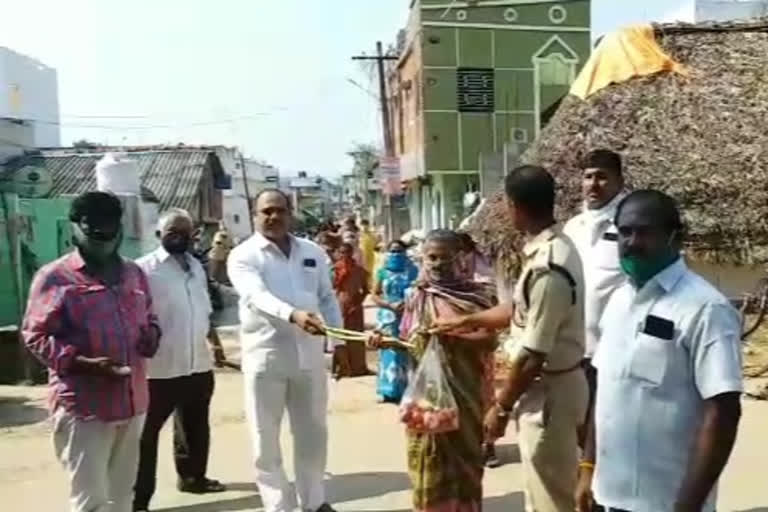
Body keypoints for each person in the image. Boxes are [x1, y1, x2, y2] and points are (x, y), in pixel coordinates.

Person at [575, 190, 743, 512]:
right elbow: (607, 390)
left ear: (675, 238)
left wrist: (687, 506)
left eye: (645, 231)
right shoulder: (619, 302)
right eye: (624, 232)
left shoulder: (705, 309)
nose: (632, 241)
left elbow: (723, 412)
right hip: (607, 496)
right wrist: (587, 468)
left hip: (667, 502)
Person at [435, 165, 588, 512]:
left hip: (550, 393)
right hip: (545, 389)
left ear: (513, 206)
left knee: (552, 499)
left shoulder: (550, 265)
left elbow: (533, 353)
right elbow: (519, 310)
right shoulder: (549, 249)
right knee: (542, 491)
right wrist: (467, 319)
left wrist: (500, 407)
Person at [22, 191, 161, 512]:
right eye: (93, 228)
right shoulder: (55, 278)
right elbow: (35, 335)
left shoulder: (133, 273)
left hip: (132, 401)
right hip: (85, 409)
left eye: (110, 227)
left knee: (122, 497)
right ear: (76, 228)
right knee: (92, 502)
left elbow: (150, 316)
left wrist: (152, 334)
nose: (103, 235)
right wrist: (84, 363)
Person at [227, 189, 349, 512]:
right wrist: (293, 315)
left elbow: (326, 297)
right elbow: (255, 296)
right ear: (255, 215)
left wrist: (337, 343)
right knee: (265, 439)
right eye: (266, 211)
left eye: (280, 210)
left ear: (290, 213)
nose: (273, 217)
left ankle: (314, 501)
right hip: (265, 358)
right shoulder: (243, 256)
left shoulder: (311, 252)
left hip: (309, 357)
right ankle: (278, 505)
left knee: (313, 433)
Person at [368, 229, 497, 512]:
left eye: (445, 257)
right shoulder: (416, 296)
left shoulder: (478, 297)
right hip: (427, 398)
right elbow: (410, 342)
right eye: (432, 257)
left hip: (467, 396)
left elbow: (491, 339)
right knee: (428, 460)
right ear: (423, 259)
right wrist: (384, 341)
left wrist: (456, 334)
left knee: (467, 466)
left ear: (460, 258)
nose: (438, 264)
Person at [133, 209, 227, 512]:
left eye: (186, 232)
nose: (180, 237)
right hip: (158, 369)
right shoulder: (142, 270)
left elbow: (204, 311)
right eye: (173, 232)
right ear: (159, 235)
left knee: (195, 427)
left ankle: (193, 478)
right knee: (144, 438)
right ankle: (138, 498)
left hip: (197, 364)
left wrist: (215, 344)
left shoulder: (197, 268)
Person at [563, 149, 627, 439]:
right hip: (576, 351)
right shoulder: (573, 228)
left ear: (619, 181)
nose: (593, 184)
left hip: (617, 350)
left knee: (610, 430)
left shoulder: (631, 227)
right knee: (580, 428)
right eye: (588, 177)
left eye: (602, 177)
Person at [370, 240, 418, 403]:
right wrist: (388, 304)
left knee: (406, 350)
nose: (395, 254)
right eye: (392, 251)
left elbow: (420, 290)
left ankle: (407, 389)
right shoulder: (382, 272)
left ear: (405, 252)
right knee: (388, 349)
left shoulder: (413, 271)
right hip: (387, 317)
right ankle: (387, 390)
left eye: (399, 251)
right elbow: (374, 294)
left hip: (408, 315)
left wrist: (408, 304)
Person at [333, 242, 372, 377]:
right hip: (339, 304)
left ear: (352, 253)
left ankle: (358, 367)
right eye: (342, 252)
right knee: (339, 336)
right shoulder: (335, 269)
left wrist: (357, 302)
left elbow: (366, 290)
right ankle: (340, 367)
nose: (345, 255)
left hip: (355, 306)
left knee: (356, 336)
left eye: (347, 252)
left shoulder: (359, 271)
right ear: (339, 253)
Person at [359, 218, 377, 285]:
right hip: (362, 256)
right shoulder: (359, 235)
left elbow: (375, 244)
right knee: (363, 271)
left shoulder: (372, 235)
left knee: (370, 271)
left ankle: (369, 285)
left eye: (366, 224)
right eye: (363, 225)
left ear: (368, 225)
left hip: (370, 256)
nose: (364, 226)